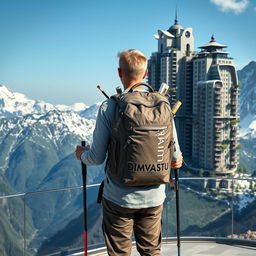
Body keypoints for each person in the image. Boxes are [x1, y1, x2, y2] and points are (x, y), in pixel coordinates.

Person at [76, 49, 183, 256]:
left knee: (119, 253)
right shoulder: (163, 105)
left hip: (118, 198)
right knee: (151, 252)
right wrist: (175, 161)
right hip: (154, 197)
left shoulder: (110, 107)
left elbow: (96, 158)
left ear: (119, 73)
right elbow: (175, 156)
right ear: (145, 74)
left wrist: (81, 154)